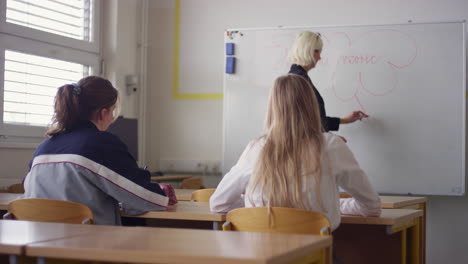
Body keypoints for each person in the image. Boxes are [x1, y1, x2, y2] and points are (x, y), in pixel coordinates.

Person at [210, 74, 381, 231]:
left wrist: (257, 208)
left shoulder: (256, 149)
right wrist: (334, 204)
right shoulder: (331, 145)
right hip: (314, 256)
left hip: (258, 256)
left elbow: (218, 204)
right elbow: (371, 207)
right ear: (312, 105)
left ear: (272, 108)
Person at [22, 76, 168, 225]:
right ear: (103, 113)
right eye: (112, 112)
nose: (112, 118)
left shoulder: (44, 147)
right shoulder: (101, 143)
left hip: (40, 242)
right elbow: (149, 200)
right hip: (90, 242)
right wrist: (163, 192)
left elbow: (29, 189)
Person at [288, 31, 368, 133]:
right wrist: (329, 140)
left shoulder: (300, 77)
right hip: (306, 145)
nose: (319, 57)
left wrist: (345, 120)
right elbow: (302, 124)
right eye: (317, 52)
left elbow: (314, 121)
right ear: (307, 51)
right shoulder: (298, 81)